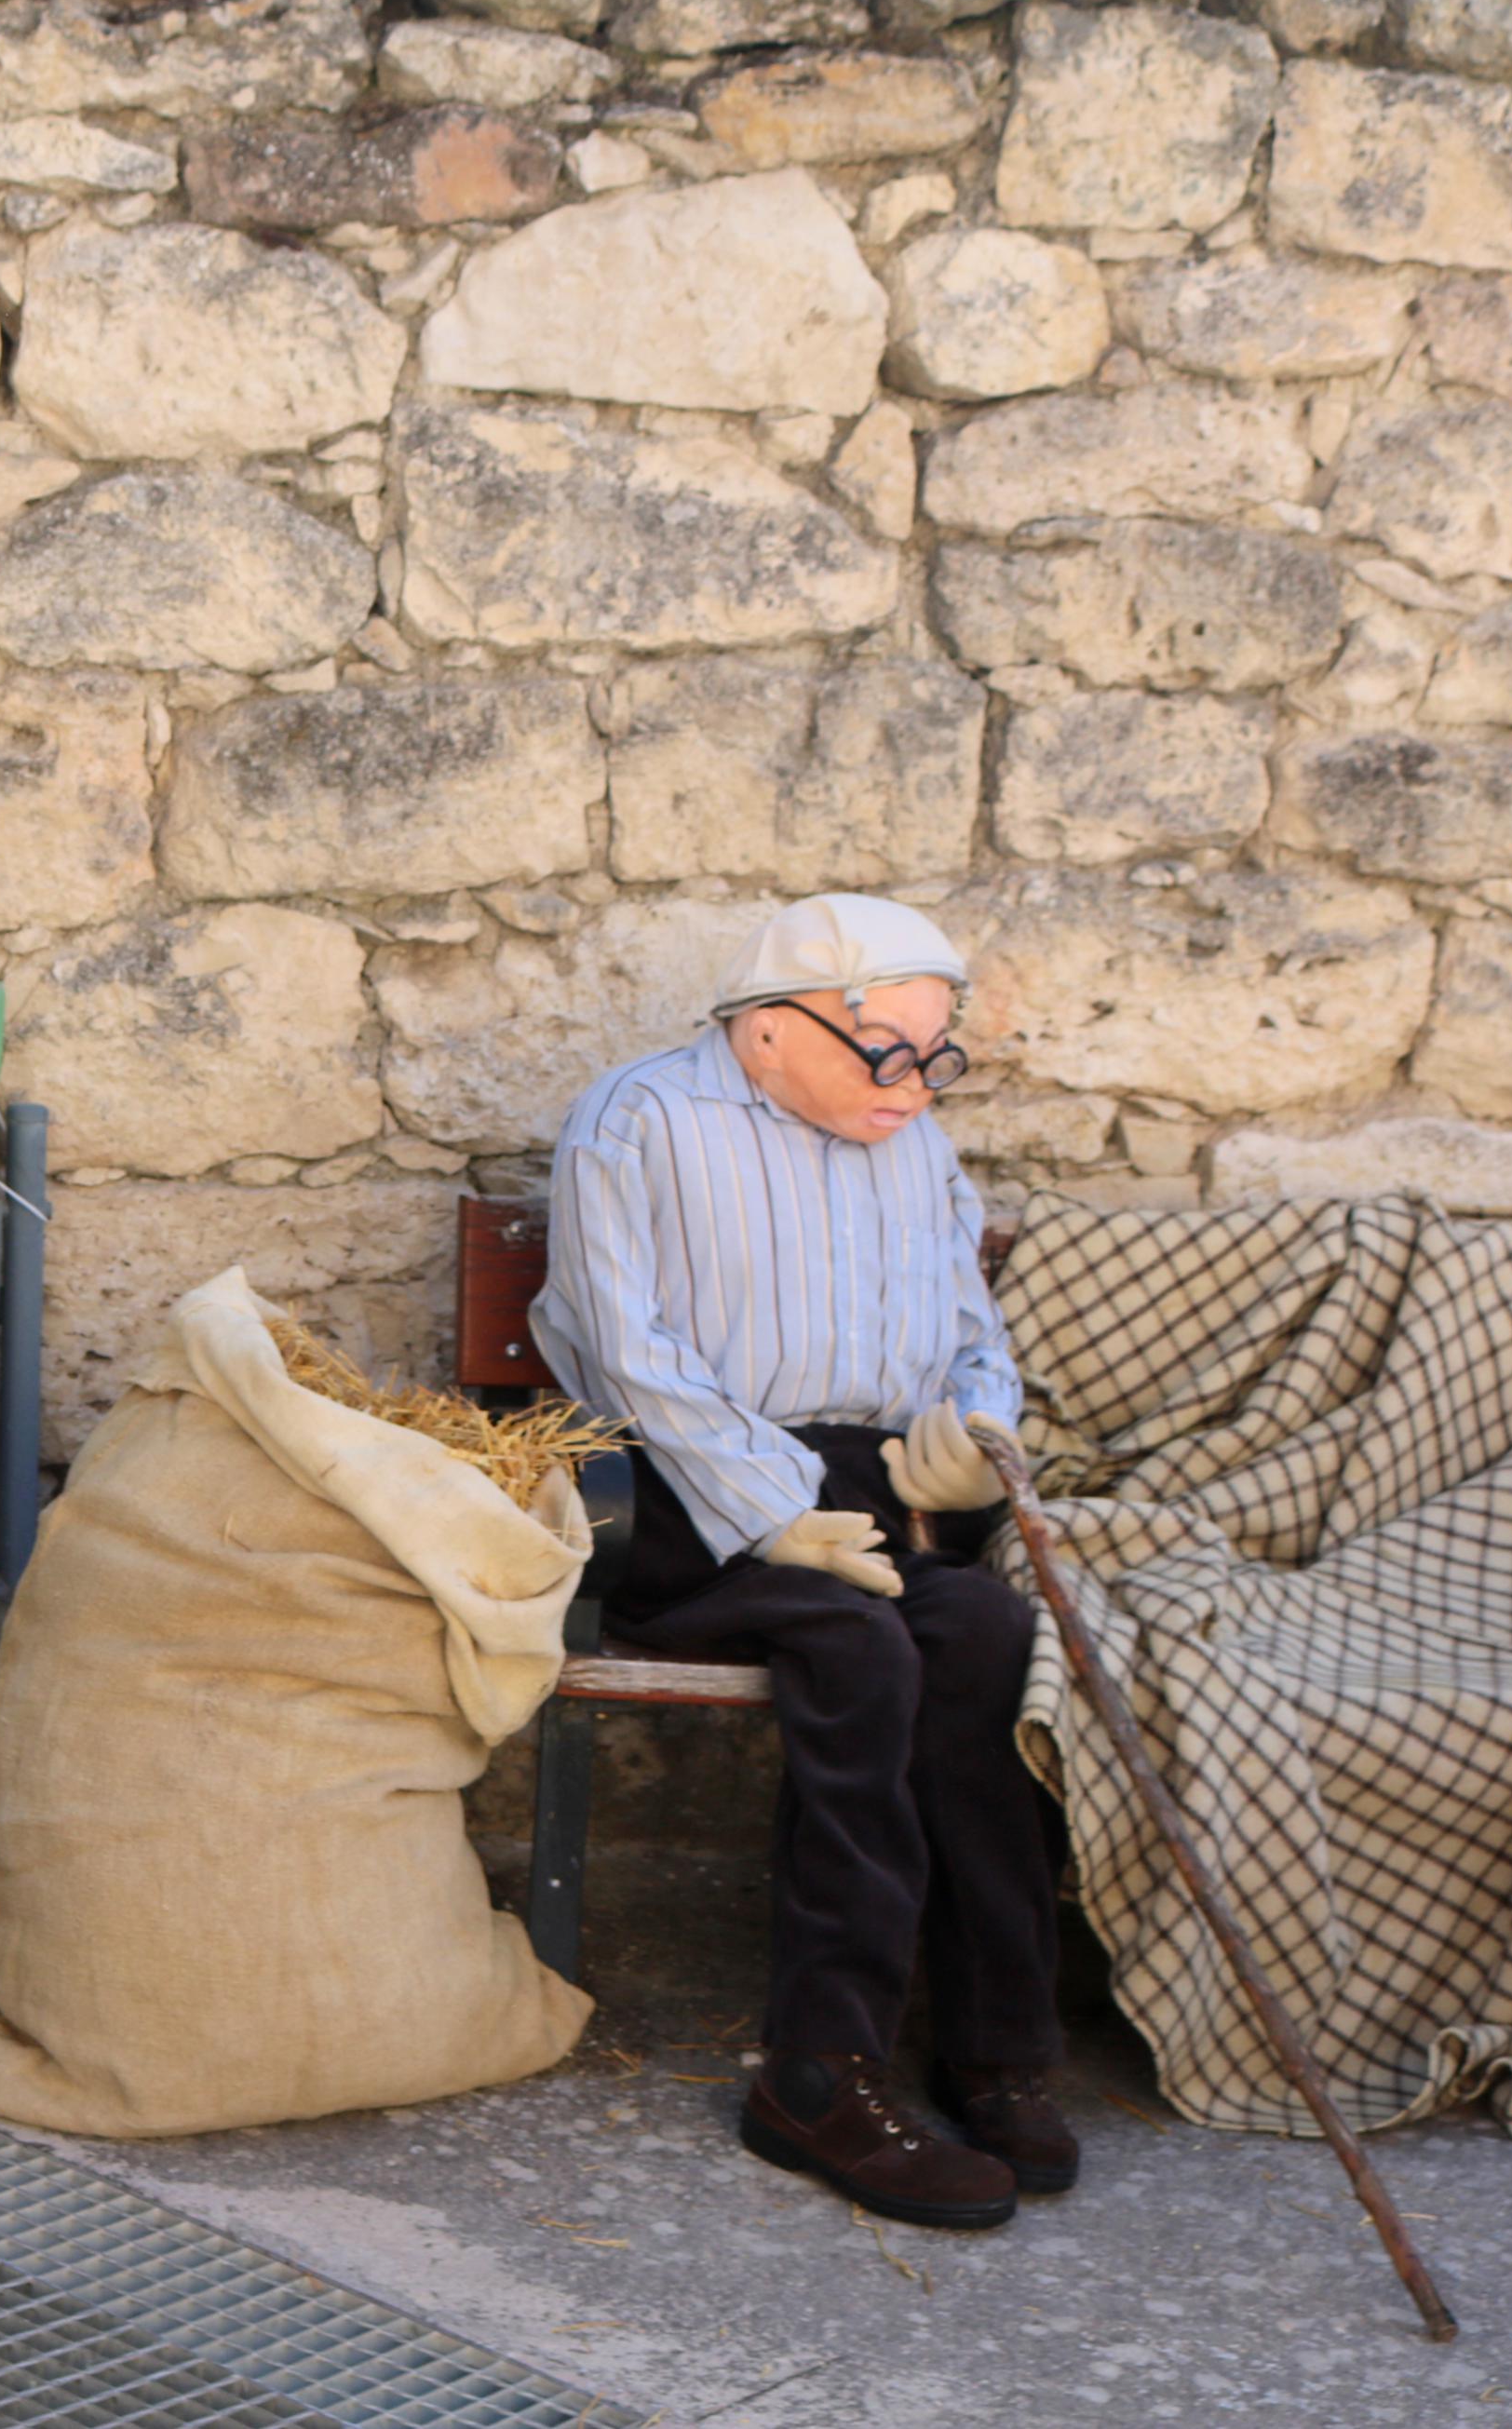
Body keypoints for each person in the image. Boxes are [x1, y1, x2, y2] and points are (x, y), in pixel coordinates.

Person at [530, 894, 1069, 2233]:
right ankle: (820, 2077)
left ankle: (992, 2045)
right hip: (673, 1491)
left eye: (938, 1058)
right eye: (888, 1051)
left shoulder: (919, 1144)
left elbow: (966, 1328)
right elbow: (626, 1355)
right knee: (856, 1647)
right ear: (770, 1033)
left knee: (990, 1645)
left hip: (862, 1490)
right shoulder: (640, 1120)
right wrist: (770, 1508)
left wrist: (974, 1429)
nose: (915, 1086)